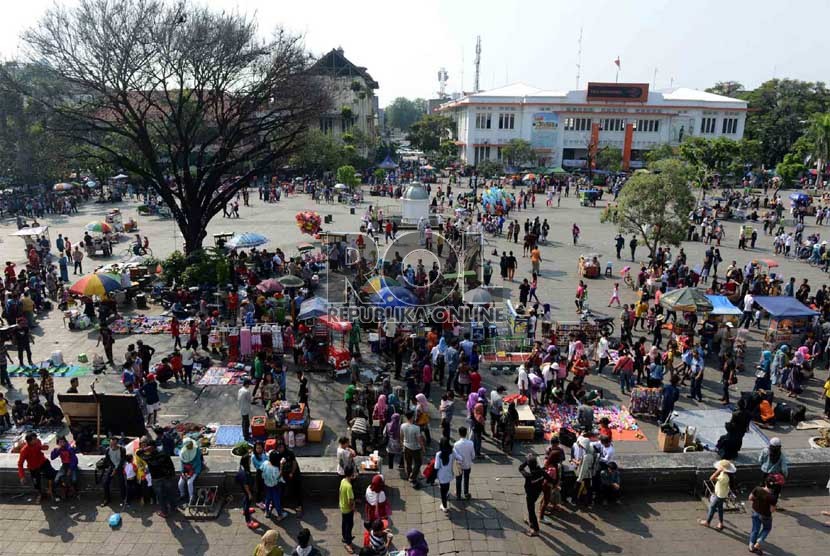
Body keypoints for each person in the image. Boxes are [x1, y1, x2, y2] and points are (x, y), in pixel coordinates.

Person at [140, 436, 177, 518]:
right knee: (170, 493)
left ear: (149, 448)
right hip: (167, 477)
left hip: (156, 479)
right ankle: (173, 507)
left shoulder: (149, 457)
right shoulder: (164, 453)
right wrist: (172, 474)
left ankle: (164, 512)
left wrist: (144, 449)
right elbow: (171, 465)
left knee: (160, 496)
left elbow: (138, 453)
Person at [18, 432, 55, 502]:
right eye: (34, 439)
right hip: (33, 467)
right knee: (36, 482)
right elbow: (20, 464)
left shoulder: (38, 442)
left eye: (36, 438)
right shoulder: (24, 451)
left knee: (51, 473)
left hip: (43, 462)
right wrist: (22, 476)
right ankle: (40, 494)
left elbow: (42, 447)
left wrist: (45, 447)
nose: (36, 440)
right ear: (29, 441)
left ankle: (50, 490)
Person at [699, 459, 735, 530]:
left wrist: (718, 471)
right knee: (720, 508)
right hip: (721, 493)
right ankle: (720, 522)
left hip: (720, 495)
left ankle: (708, 522)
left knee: (712, 507)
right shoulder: (726, 474)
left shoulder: (724, 477)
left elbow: (711, 478)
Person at [519, 452, 547, 537]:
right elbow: (549, 478)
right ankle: (531, 523)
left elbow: (520, 468)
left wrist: (526, 461)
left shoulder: (528, 476)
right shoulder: (541, 472)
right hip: (537, 493)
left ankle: (536, 530)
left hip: (530, 494)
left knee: (531, 511)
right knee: (531, 508)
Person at [233, 444, 261, 530]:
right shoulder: (244, 473)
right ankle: (248, 521)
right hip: (247, 488)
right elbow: (245, 484)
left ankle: (246, 510)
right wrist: (249, 493)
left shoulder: (243, 467)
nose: (250, 461)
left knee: (246, 499)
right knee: (247, 501)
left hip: (246, 487)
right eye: (249, 460)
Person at [748, 477, 778, 554]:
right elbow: (772, 510)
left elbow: (750, 498)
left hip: (755, 512)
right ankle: (759, 542)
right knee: (767, 528)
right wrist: (775, 507)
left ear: (765, 483)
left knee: (755, 529)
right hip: (765, 515)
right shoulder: (773, 497)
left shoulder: (757, 489)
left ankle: (751, 546)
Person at [100, 436, 127, 506]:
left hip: (120, 467)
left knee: (121, 483)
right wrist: (113, 468)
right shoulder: (108, 450)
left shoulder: (122, 449)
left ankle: (124, 498)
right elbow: (108, 460)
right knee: (105, 482)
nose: (112, 446)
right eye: (111, 444)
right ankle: (107, 499)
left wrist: (116, 469)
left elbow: (122, 460)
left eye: (114, 444)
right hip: (112, 467)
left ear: (117, 444)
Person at [401, 411, 425, 486]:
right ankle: (412, 477)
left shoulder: (402, 425)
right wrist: (423, 448)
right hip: (415, 448)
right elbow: (419, 440)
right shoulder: (416, 428)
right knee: (418, 463)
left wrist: (402, 444)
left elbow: (401, 436)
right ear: (412, 417)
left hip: (406, 446)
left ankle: (409, 475)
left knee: (408, 463)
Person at [434, 438, 457, 513]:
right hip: (449, 474)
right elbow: (459, 458)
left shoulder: (439, 454)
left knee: (442, 492)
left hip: (441, 476)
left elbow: (436, 466)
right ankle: (447, 494)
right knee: (447, 486)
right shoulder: (452, 452)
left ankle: (444, 506)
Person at [262, 450, 287, 520]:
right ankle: (280, 515)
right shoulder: (276, 469)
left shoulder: (265, 463)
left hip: (267, 485)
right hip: (274, 486)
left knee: (267, 498)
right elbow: (278, 477)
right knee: (276, 500)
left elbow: (262, 469)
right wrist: (281, 466)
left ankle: (267, 512)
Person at [177, 437, 203, 505]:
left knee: (189, 482)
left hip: (195, 469)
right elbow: (182, 463)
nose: (191, 445)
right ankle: (182, 495)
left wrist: (192, 472)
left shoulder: (196, 450)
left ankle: (191, 497)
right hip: (186, 469)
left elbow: (198, 462)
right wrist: (183, 472)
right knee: (180, 483)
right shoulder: (183, 452)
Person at [453, 426, 475, 501]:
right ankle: (466, 493)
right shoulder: (471, 443)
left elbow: (455, 456)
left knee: (458, 479)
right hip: (467, 465)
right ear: (466, 433)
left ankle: (458, 495)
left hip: (459, 465)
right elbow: (473, 455)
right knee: (466, 479)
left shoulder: (456, 444)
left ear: (459, 434)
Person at [339, 464, 356, 554]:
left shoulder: (343, 481)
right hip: (348, 509)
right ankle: (348, 543)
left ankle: (345, 537)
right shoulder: (349, 487)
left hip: (342, 506)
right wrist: (353, 508)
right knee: (349, 526)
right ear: (352, 474)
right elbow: (350, 501)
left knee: (344, 523)